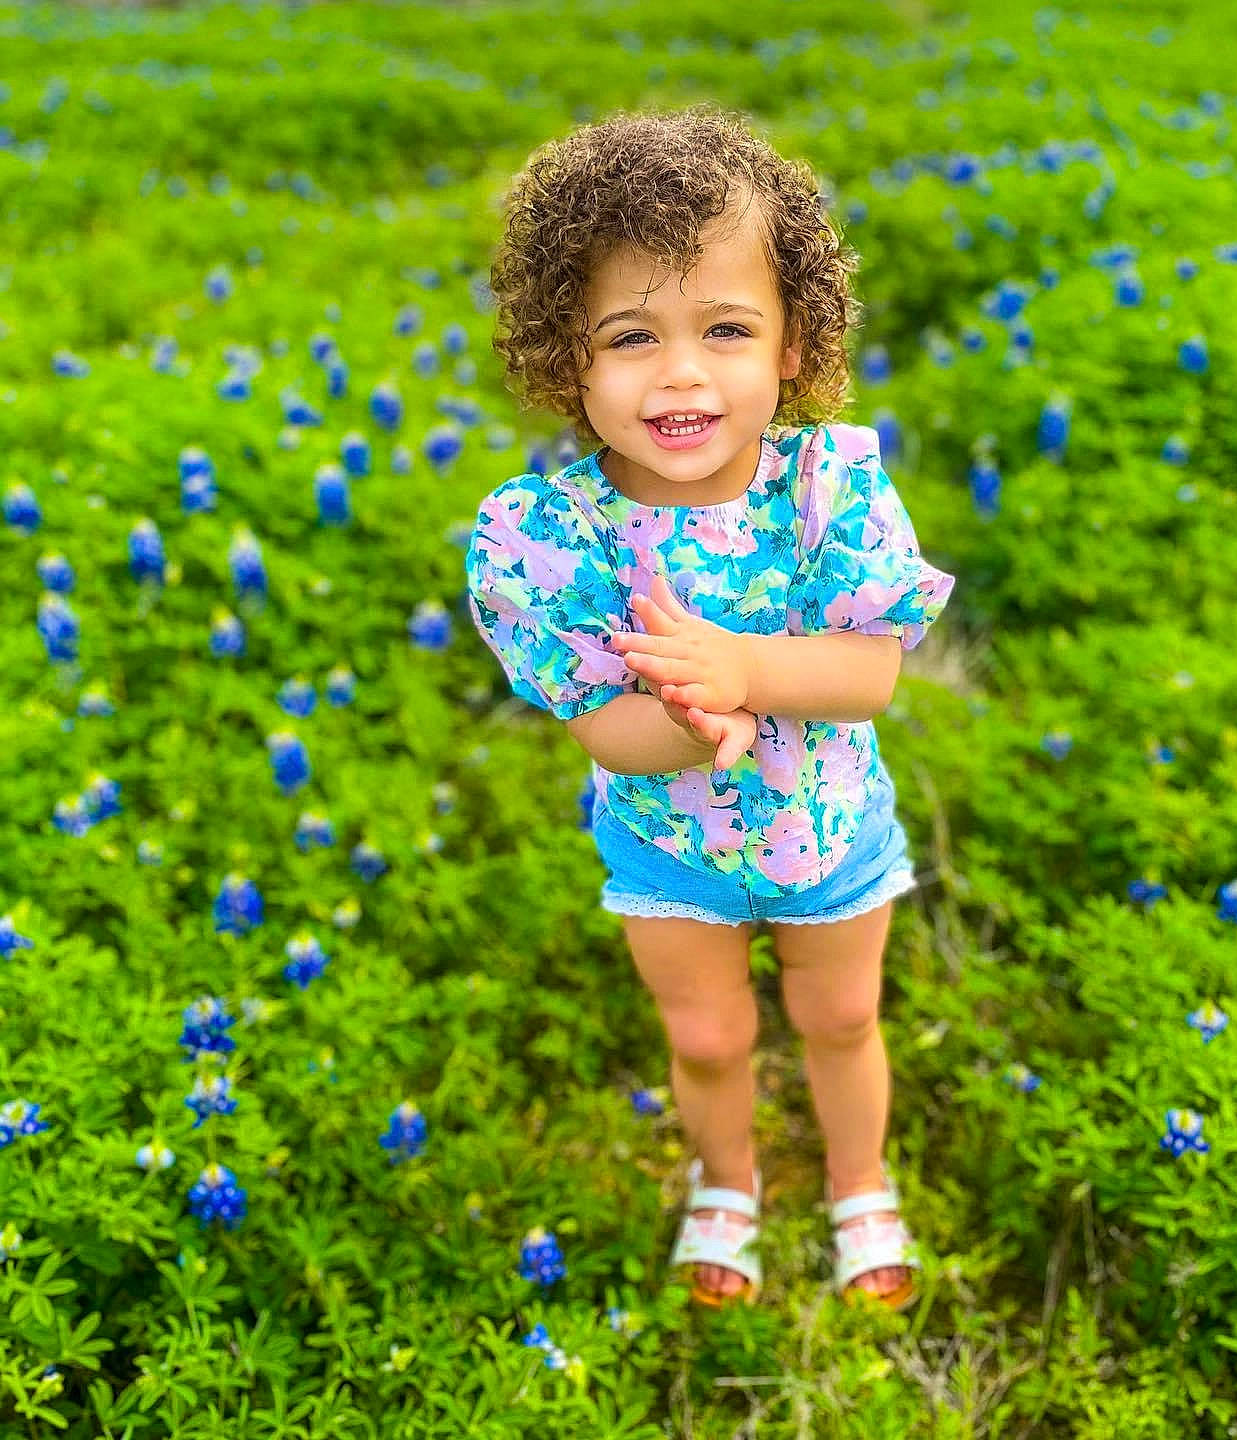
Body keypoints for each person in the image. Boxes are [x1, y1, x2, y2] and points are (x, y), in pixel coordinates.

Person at [466, 102, 955, 1311]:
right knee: (708, 1039)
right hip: (669, 851)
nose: (682, 372)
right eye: (630, 336)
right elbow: (608, 738)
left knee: (842, 1019)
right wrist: (688, 720)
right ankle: (727, 1181)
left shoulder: (828, 488)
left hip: (827, 833)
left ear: (794, 346)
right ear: (564, 360)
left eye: (726, 329)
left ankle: (858, 1180)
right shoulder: (553, 536)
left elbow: (869, 673)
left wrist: (738, 671)